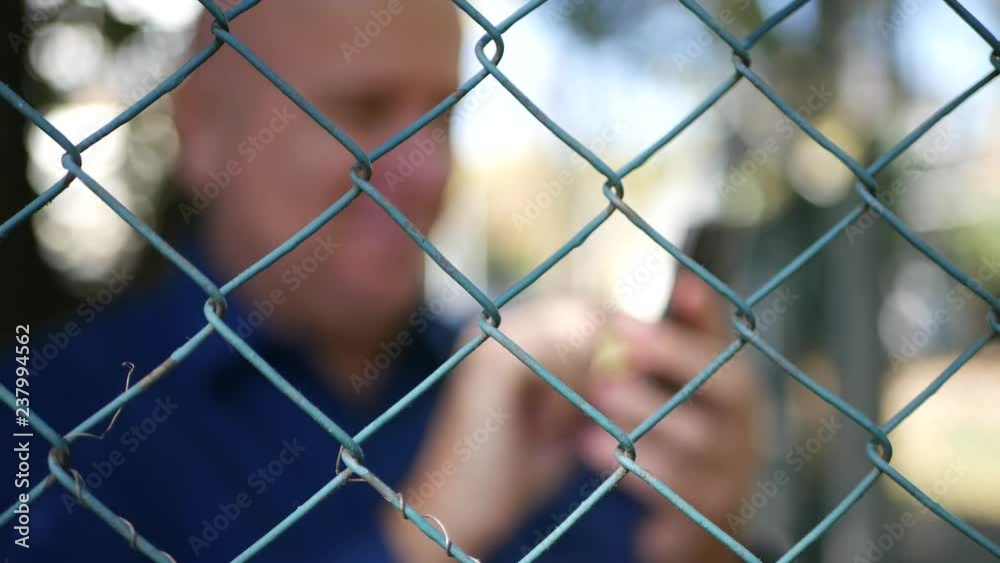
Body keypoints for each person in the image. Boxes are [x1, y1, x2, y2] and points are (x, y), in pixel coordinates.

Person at [19, 1, 764, 561]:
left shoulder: (533, 407)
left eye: (442, 118)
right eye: (365, 110)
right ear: (206, 125)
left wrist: (703, 539)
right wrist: (428, 533)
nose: (427, 171)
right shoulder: (46, 415)